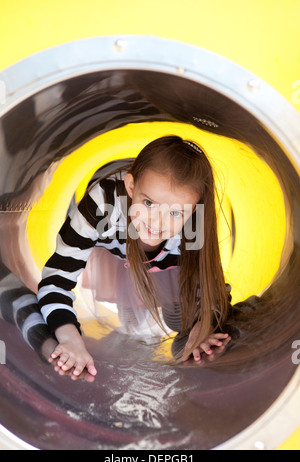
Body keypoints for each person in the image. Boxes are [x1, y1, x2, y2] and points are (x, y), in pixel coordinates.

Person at [37, 135, 233, 380]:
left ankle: (179, 315)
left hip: (168, 261)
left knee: (181, 313)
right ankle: (129, 310)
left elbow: (213, 288)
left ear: (193, 209)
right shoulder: (100, 206)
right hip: (115, 242)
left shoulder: (194, 224)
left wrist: (201, 329)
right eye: (149, 203)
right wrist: (70, 339)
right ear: (131, 187)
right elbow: (55, 280)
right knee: (129, 305)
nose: (157, 222)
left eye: (174, 212)